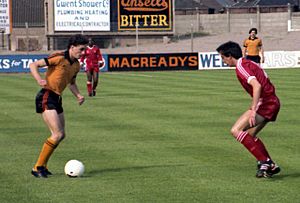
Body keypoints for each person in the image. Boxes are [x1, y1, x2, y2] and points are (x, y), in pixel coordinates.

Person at [216, 41, 281, 178]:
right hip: (272, 101)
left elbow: (256, 86)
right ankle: (270, 165)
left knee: (236, 130)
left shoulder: (241, 66)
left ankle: (266, 161)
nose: (223, 61)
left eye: (223, 57)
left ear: (229, 56)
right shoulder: (248, 63)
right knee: (250, 135)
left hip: (266, 103)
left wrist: (253, 110)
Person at [29, 34, 89, 178]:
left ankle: (42, 166)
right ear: (72, 47)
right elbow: (33, 65)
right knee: (57, 134)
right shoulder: (59, 57)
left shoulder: (76, 65)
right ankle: (37, 167)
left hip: (57, 98)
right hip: (46, 95)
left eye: (84, 50)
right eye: (81, 49)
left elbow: (72, 83)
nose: (83, 53)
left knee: (61, 135)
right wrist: (39, 79)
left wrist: (78, 95)